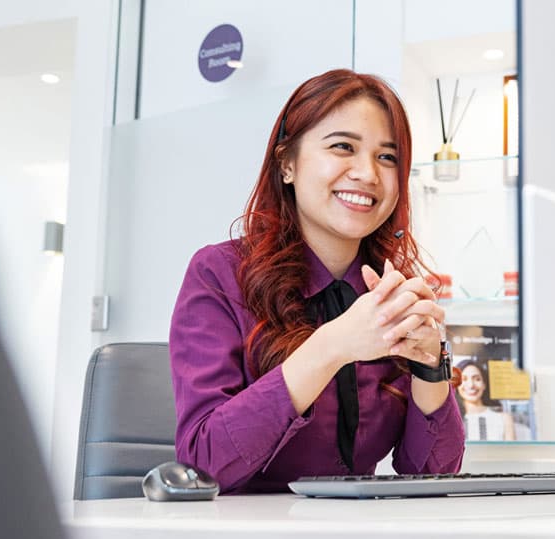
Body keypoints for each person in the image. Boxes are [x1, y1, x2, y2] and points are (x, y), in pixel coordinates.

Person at [168, 69, 466, 494]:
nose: (367, 173)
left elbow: (431, 476)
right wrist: (332, 347)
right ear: (287, 163)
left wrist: (430, 367)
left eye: (387, 157)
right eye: (343, 147)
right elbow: (203, 466)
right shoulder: (218, 274)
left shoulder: (390, 290)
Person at [455, 359, 516, 441]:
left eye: (477, 379)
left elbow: (511, 452)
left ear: (484, 384)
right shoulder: (452, 420)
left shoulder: (504, 419)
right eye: (464, 379)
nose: (471, 385)